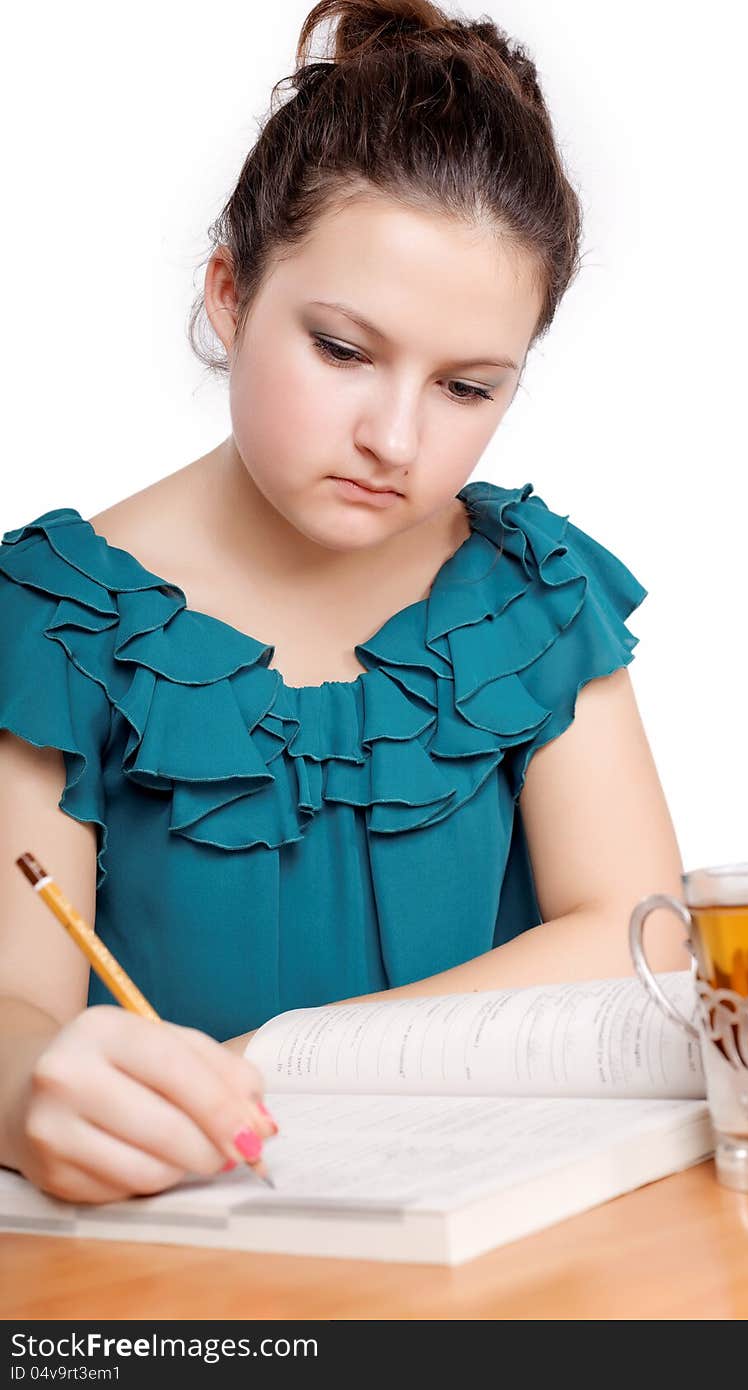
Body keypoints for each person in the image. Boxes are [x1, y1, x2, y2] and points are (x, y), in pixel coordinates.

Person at [0, 0, 689, 1206]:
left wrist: (279, 1062)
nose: (395, 438)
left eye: (469, 386)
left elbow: (640, 937)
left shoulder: (528, 590)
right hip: (174, 1259)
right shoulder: (56, 616)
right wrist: (30, 1095)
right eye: (342, 350)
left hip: (502, 1240)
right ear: (228, 292)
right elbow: (12, 1005)